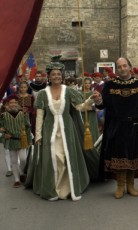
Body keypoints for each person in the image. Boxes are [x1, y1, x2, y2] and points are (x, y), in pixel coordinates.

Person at [28, 56, 92, 201]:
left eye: (58, 74)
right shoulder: (43, 93)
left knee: (65, 157)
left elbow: (79, 107)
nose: (56, 76)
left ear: (61, 76)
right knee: (54, 158)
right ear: (49, 77)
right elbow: (39, 115)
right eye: (53, 74)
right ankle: (53, 189)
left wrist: (91, 100)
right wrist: (38, 134)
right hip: (50, 130)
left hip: (67, 130)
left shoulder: (68, 91)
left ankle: (67, 188)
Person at [92, 57, 138, 199]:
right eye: (119, 67)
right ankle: (120, 186)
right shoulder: (110, 85)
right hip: (116, 125)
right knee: (119, 156)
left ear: (130, 67)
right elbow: (103, 105)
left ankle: (131, 185)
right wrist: (98, 100)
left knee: (133, 156)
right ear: (117, 69)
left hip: (136, 125)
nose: (122, 69)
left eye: (124, 65)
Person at [0, 95, 32, 188]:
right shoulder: (3, 115)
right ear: (7, 105)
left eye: (15, 102)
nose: (13, 104)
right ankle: (17, 179)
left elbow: (28, 127)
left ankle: (22, 172)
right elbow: (1, 127)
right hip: (11, 141)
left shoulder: (23, 114)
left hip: (22, 140)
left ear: (18, 104)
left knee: (23, 159)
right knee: (14, 160)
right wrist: (3, 134)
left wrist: (29, 139)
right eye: (11, 103)